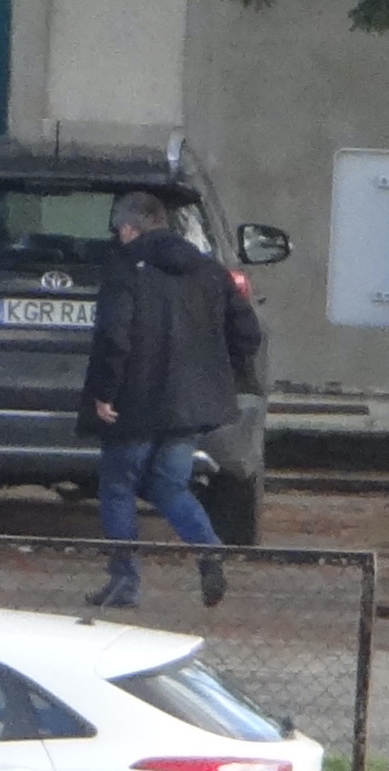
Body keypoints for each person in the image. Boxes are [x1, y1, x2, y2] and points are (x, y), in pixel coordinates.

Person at [79, 184, 263, 611]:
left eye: (118, 229)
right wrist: (225, 375)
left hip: (134, 402)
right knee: (168, 484)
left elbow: (114, 336)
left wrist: (105, 393)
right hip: (190, 406)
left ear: (129, 228)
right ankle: (209, 548)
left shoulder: (125, 268)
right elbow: (247, 333)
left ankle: (125, 582)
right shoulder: (209, 270)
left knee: (119, 487)